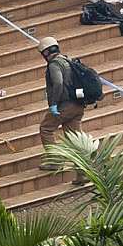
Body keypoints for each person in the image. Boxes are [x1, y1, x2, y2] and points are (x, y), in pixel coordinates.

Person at [38, 37, 87, 185]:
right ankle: (82, 174)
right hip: (78, 105)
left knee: (45, 128)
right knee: (75, 140)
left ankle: (55, 161)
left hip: (65, 106)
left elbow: (58, 82)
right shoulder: (68, 60)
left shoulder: (54, 64)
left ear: (46, 52)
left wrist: (54, 103)